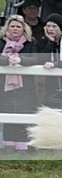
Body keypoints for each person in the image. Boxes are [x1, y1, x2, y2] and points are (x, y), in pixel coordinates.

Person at [0, 15, 38, 150]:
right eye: (12, 26)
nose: (15, 29)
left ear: (23, 28)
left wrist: (20, 60)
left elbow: (35, 59)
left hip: (25, 86)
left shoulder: (31, 42)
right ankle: (8, 146)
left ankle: (22, 146)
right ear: (7, 28)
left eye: (18, 26)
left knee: (23, 112)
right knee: (7, 111)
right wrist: (7, 60)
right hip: (4, 86)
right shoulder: (1, 42)